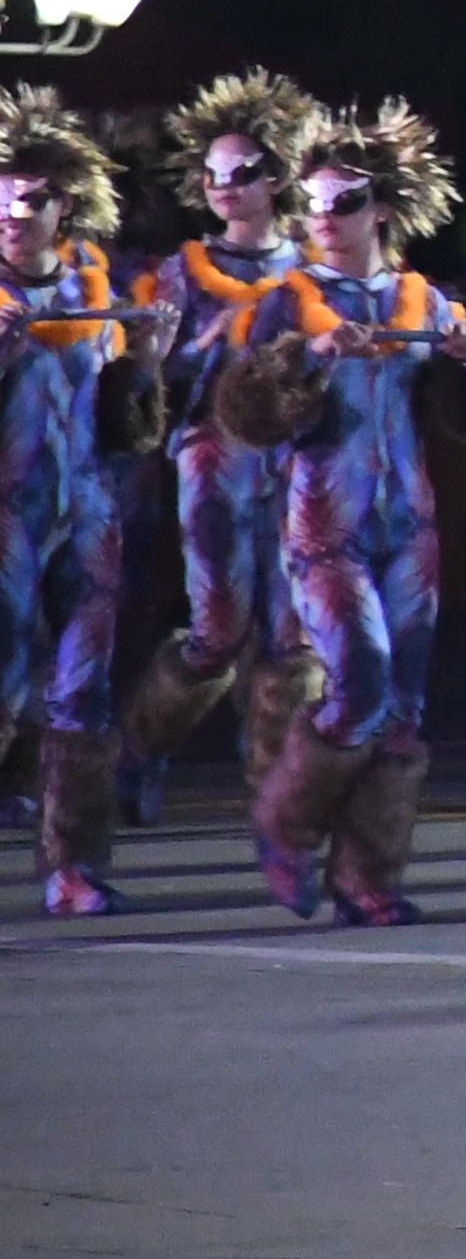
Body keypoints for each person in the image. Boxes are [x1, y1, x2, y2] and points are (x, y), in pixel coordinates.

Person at [214, 102, 466, 924]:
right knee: (360, 683)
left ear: (381, 207)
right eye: (312, 202)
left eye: (342, 201)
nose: (323, 218)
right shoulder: (289, 298)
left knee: (406, 709)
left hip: (408, 525)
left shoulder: (421, 297)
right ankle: (285, 824)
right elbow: (244, 410)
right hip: (325, 524)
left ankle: (369, 879)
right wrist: (306, 356)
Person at [113, 72, 316, 829]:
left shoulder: (309, 267)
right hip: (213, 456)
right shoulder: (183, 270)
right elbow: (156, 384)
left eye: (244, 173)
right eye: (215, 175)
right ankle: (140, 748)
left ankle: (276, 790)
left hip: (297, 464)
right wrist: (173, 352)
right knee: (219, 632)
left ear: (278, 179)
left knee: (296, 638)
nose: (227, 187)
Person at [1, 85, 146, 915]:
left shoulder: (97, 296)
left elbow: (131, 427)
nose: (17, 208)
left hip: (87, 512)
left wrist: (148, 364)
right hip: (3, 514)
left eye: (36, 194)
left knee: (82, 695)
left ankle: (73, 869)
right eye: (5, 192)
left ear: (68, 205)